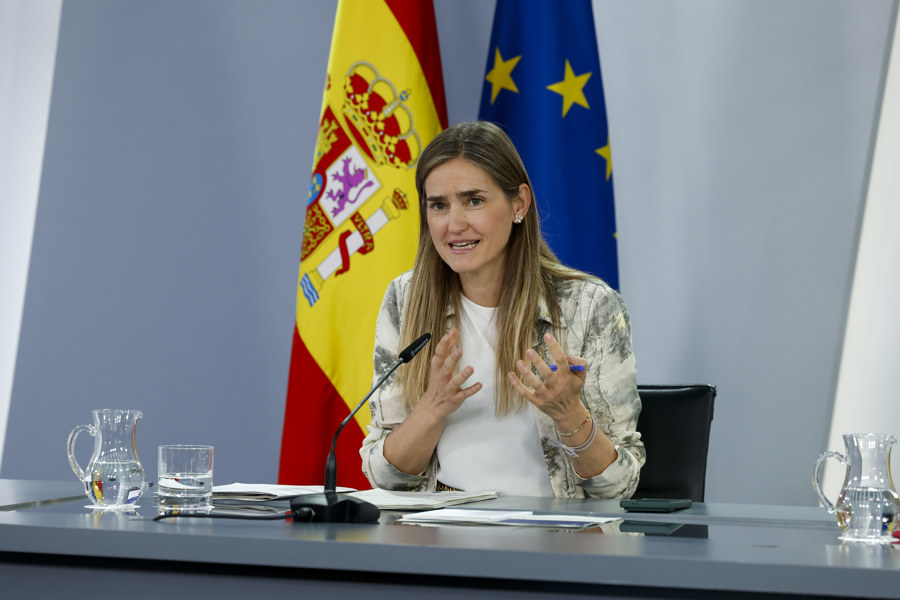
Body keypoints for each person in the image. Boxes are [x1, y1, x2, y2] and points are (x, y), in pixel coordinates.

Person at [360, 121, 644, 498]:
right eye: (439, 205)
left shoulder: (589, 305)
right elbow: (386, 478)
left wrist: (568, 414)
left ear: (519, 204)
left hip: (557, 536)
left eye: (473, 200)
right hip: (439, 536)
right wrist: (432, 408)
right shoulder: (406, 298)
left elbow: (619, 486)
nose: (454, 224)